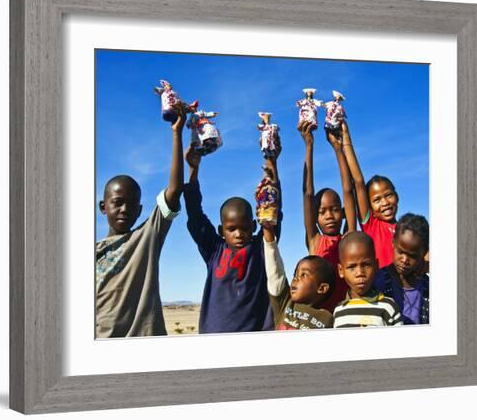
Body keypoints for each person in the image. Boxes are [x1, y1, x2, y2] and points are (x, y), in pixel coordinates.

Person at [95, 107, 186, 338]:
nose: (125, 209)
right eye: (117, 202)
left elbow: (174, 192)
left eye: (132, 204)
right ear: (103, 207)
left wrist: (177, 134)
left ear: (140, 211)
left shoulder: (146, 237)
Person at [183, 144, 281, 333]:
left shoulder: (261, 249)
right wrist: (193, 170)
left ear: (253, 226)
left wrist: (272, 171)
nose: (238, 233)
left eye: (244, 228)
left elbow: (272, 214)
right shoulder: (214, 250)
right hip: (214, 338)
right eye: (231, 229)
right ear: (221, 230)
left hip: (255, 339)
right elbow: (195, 215)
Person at [298, 120, 356, 312]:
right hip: (320, 318)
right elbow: (307, 193)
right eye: (322, 212)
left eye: (335, 209)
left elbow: (348, 190)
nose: (329, 215)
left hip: (345, 317)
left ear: (345, 213)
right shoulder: (315, 241)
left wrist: (338, 149)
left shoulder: (349, 239)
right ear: (314, 217)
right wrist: (309, 146)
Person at [340, 120, 399, 269]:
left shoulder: (406, 229)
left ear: (397, 197)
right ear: (370, 206)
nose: (385, 203)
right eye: (377, 200)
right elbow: (358, 181)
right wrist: (345, 138)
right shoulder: (372, 224)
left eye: (388, 195)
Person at [262, 222, 334, 330]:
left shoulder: (328, 318)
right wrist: (268, 233)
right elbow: (275, 272)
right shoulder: (285, 303)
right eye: (295, 274)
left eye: (303, 274)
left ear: (322, 288)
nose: (295, 278)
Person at [333, 232, 403, 328]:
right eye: (352, 267)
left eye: (366, 265)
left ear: (376, 265)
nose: (360, 273)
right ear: (341, 271)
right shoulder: (339, 311)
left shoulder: (388, 307)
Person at [374, 213, 430, 325]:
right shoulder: (379, 280)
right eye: (400, 251)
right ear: (393, 242)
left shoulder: (427, 285)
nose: (404, 260)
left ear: (423, 253)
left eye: (412, 256)